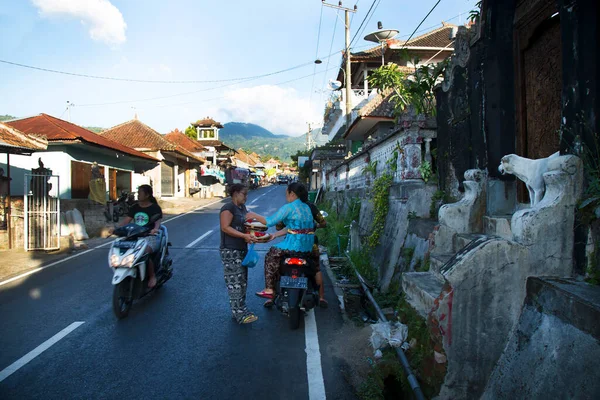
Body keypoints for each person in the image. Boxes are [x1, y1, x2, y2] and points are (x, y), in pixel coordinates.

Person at [246, 183, 316, 306]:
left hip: (294, 244)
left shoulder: (289, 207)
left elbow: (269, 222)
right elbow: (292, 227)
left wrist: (253, 215)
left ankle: (269, 289)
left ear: (292, 194)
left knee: (271, 255)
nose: (286, 197)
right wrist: (275, 235)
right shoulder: (306, 208)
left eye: (286, 194)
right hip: (308, 245)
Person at [219, 184, 258, 324]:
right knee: (234, 282)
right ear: (235, 193)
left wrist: (253, 235)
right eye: (244, 194)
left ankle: (241, 309)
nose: (246, 197)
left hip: (241, 248)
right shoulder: (228, 208)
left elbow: (244, 225)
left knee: (242, 281)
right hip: (230, 250)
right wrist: (243, 236)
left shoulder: (242, 208)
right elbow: (225, 227)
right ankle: (239, 314)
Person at [113, 184, 163, 288]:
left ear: (147, 195)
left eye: (140, 193)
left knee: (144, 252)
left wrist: (155, 229)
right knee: (122, 249)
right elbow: (127, 220)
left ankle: (152, 276)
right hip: (135, 235)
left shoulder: (155, 208)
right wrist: (116, 229)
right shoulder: (135, 207)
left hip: (149, 236)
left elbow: (157, 222)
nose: (138, 195)